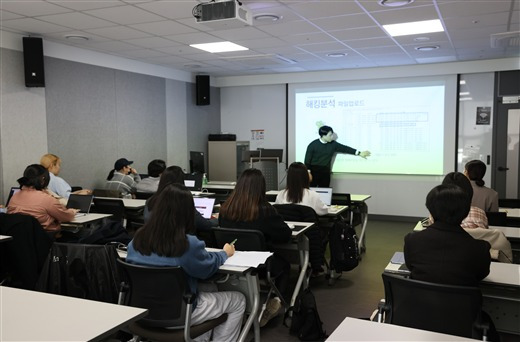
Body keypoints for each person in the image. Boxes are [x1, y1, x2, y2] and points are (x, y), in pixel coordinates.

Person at [126, 183, 245, 342]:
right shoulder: (186, 243)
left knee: (211, 288)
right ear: (187, 212)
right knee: (238, 300)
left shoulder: (136, 240)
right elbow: (206, 269)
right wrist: (224, 253)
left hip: (142, 311)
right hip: (178, 313)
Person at [219, 168, 291, 327]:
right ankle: (276, 301)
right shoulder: (265, 211)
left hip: (232, 260)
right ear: (261, 188)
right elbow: (285, 235)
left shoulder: (225, 209)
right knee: (285, 266)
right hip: (259, 264)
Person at [404, 183, 491, 286]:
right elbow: (480, 275)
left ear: (430, 209)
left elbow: (410, 267)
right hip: (461, 301)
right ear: (466, 212)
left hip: (419, 300)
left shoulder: (412, 240)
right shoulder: (480, 249)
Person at [7, 164, 77, 232]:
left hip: (19, 239)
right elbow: (66, 217)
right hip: (45, 239)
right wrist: (72, 212)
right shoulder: (46, 199)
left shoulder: (14, 197)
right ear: (43, 179)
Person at [144, 166, 217, 231]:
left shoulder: (150, 201)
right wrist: (217, 219)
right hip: (180, 242)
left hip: (153, 240)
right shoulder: (182, 200)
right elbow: (205, 225)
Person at [304, 125, 371, 187]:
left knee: (325, 193)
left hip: (325, 172)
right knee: (311, 192)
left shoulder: (333, 144)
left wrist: (359, 153)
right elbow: (307, 161)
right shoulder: (312, 145)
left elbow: (345, 148)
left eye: (332, 135)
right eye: (330, 135)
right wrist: (308, 173)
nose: (332, 137)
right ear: (323, 135)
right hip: (313, 172)